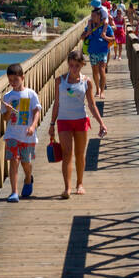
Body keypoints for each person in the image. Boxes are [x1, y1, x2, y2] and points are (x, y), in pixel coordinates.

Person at [48, 49, 107, 198]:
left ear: (82, 65)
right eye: (71, 65)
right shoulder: (59, 81)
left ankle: (80, 183)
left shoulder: (86, 82)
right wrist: (52, 124)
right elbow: (56, 104)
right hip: (63, 121)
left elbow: (92, 105)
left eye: (77, 66)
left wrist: (101, 123)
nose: (74, 69)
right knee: (67, 154)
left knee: (80, 154)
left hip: (80, 120)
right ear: (68, 64)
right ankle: (67, 188)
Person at [0, 63, 42, 202]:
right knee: (14, 161)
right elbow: (5, 118)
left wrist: (33, 126)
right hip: (12, 134)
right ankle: (14, 192)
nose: (13, 83)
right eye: (10, 80)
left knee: (26, 162)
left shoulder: (30, 94)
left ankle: (28, 179)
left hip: (27, 135)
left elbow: (36, 112)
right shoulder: (7, 97)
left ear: (22, 77)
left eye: (15, 80)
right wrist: (9, 110)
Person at [83, 6, 113, 97]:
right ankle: (97, 89)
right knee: (95, 71)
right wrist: (88, 32)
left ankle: (102, 91)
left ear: (99, 16)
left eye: (94, 16)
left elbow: (113, 39)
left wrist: (105, 37)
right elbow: (81, 37)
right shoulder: (90, 26)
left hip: (103, 51)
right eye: (91, 16)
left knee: (102, 70)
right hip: (92, 51)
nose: (92, 17)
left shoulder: (106, 26)